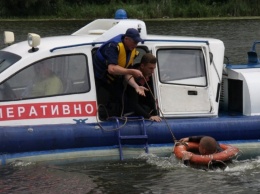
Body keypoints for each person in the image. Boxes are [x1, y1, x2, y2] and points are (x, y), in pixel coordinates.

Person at [93, 28, 146, 117]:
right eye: (134, 42)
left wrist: (136, 86)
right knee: (98, 98)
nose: (136, 45)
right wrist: (132, 71)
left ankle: (118, 117)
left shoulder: (131, 49)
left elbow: (127, 73)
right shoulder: (113, 46)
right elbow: (112, 69)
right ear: (126, 39)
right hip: (98, 77)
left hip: (114, 79)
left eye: (137, 43)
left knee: (123, 101)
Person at [124, 53, 162, 122]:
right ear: (142, 66)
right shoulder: (132, 79)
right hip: (131, 110)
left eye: (154, 69)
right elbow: (133, 104)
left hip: (146, 108)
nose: (152, 72)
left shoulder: (150, 77)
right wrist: (149, 116)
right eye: (150, 68)